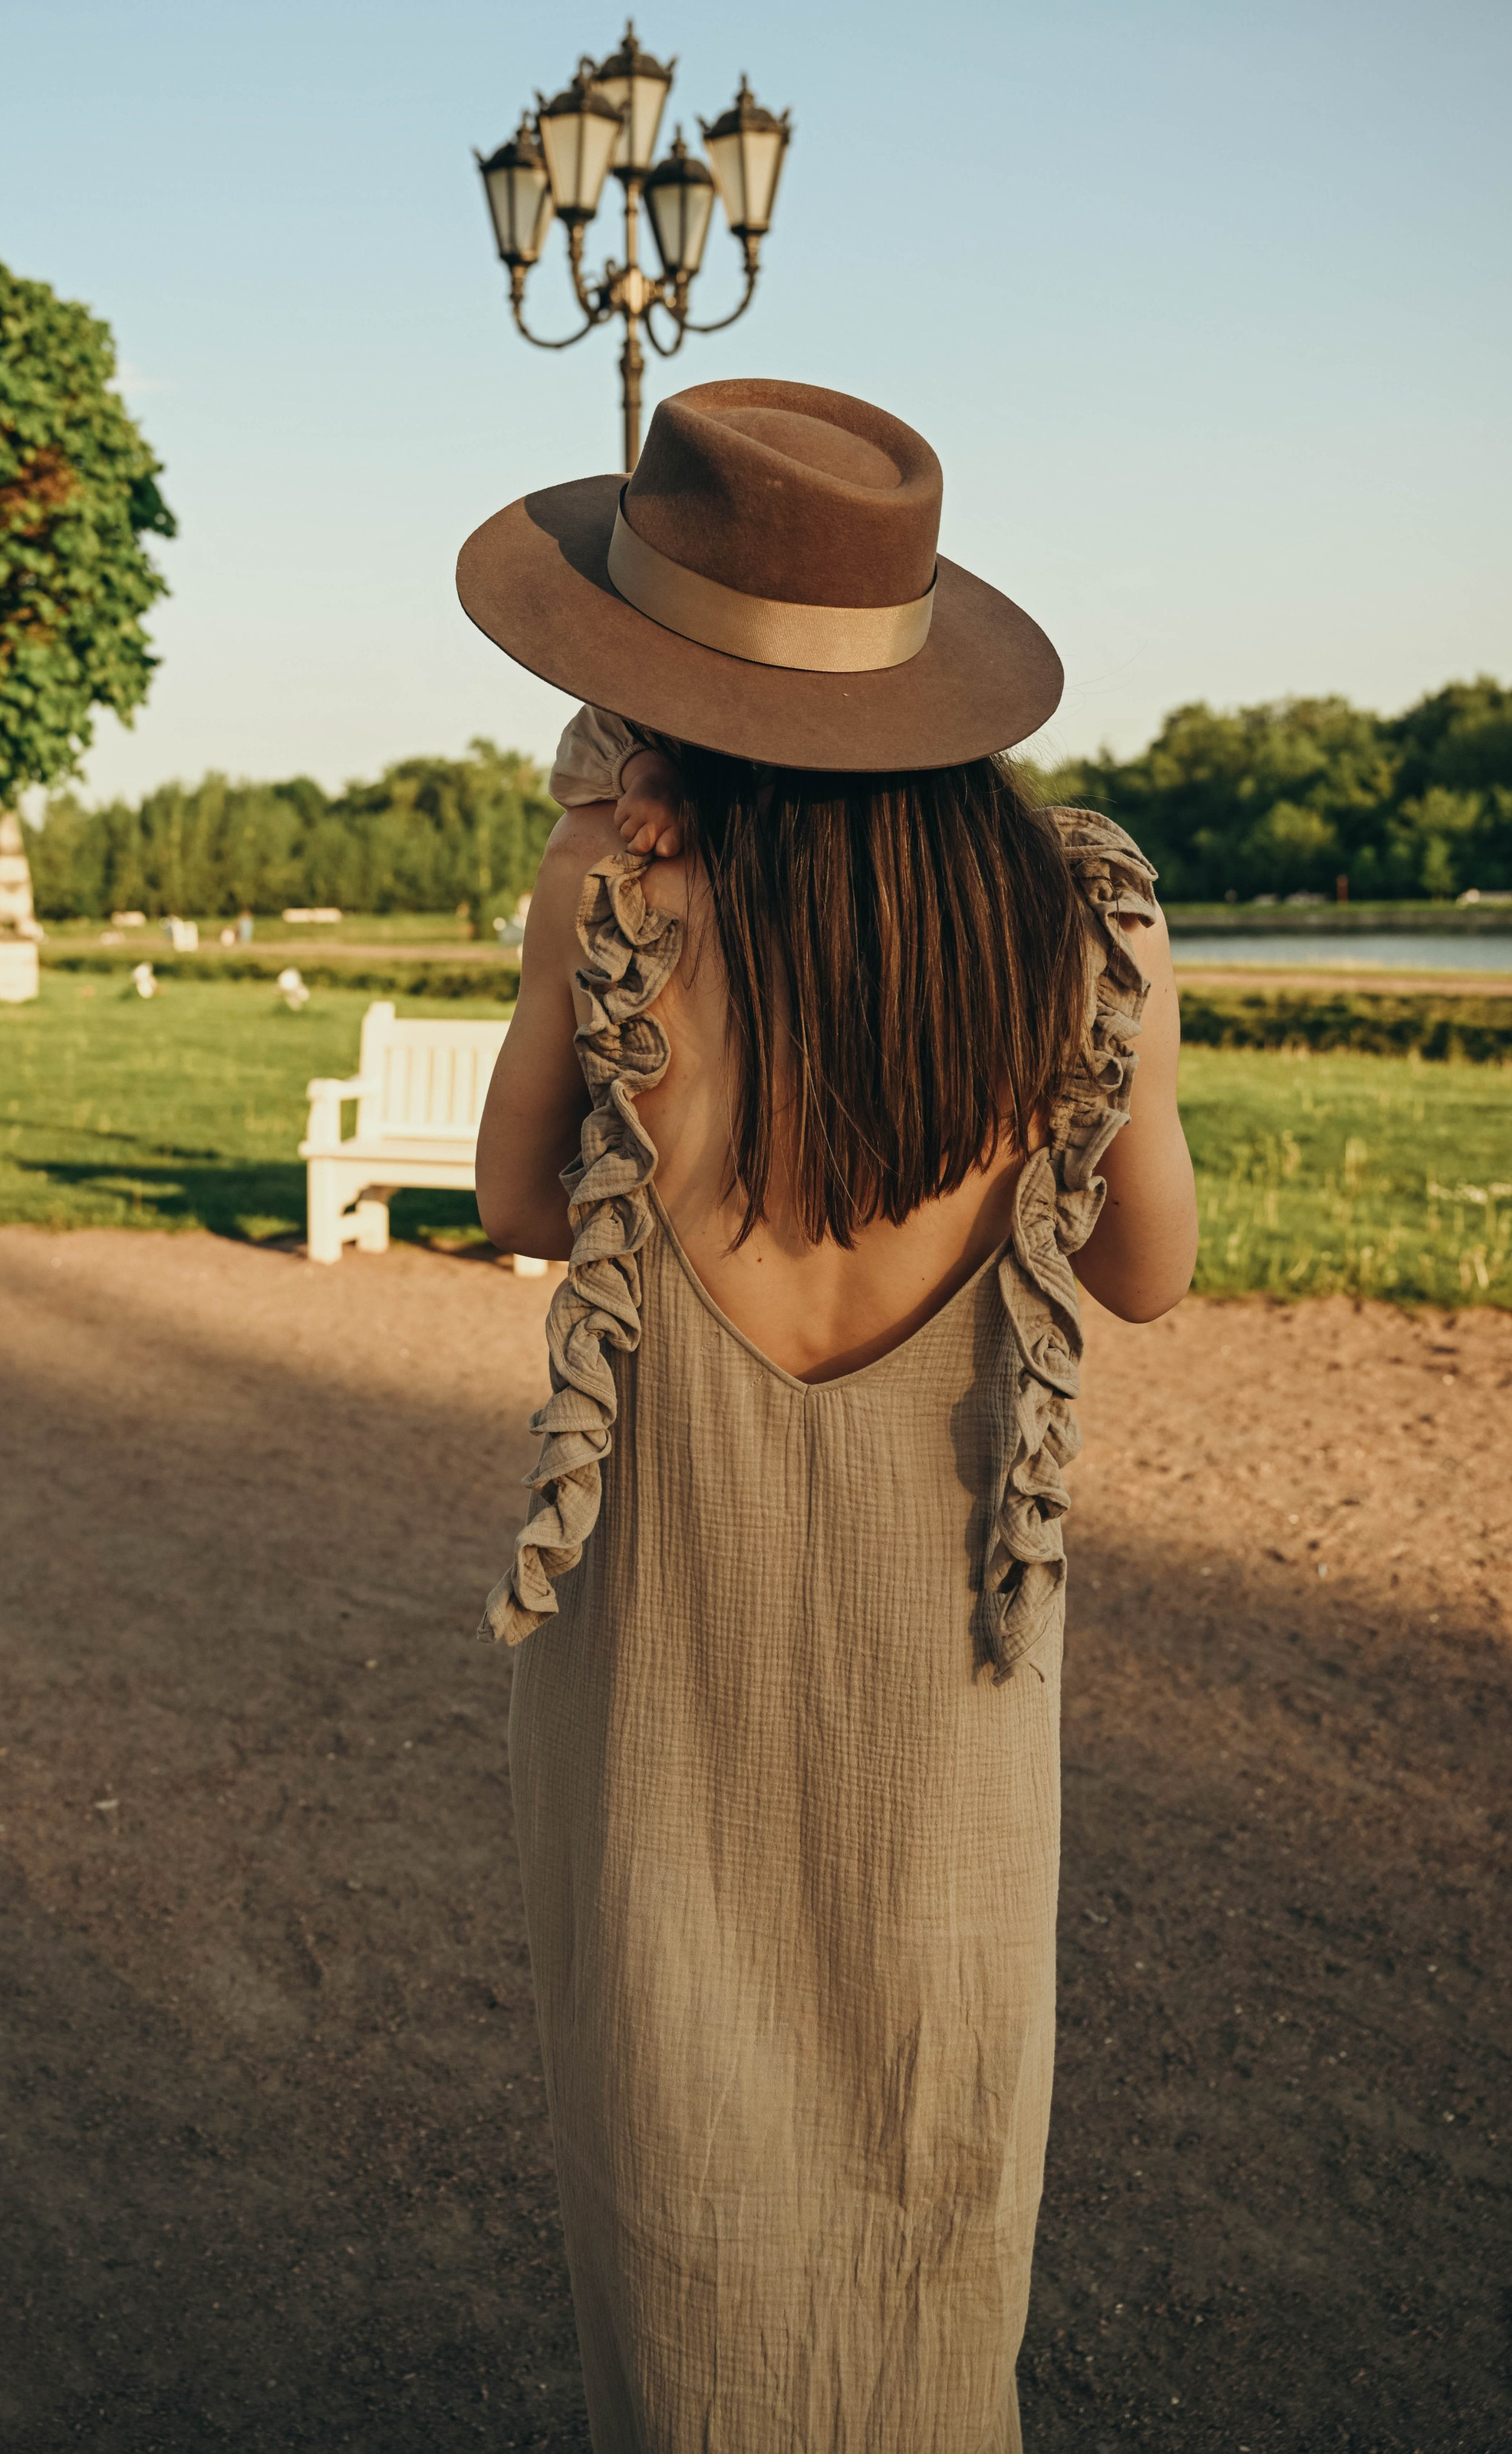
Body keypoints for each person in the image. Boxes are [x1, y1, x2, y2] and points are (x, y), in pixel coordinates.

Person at [456, 378, 1197, 2454]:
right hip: (940, 1677)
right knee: (934, 2173)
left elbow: (520, 1203)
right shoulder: (1091, 936)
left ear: (652, 682)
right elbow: (1146, 1272)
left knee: (675, 2176)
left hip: (667, 1661)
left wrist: (578, 892)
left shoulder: (612, 909)